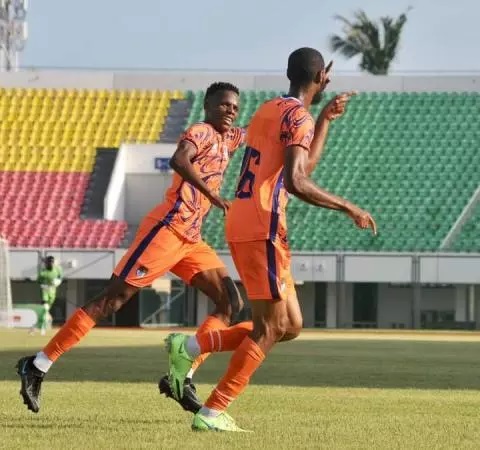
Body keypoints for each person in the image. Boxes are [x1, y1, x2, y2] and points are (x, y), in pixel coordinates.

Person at [164, 47, 377, 432]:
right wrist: (348, 206)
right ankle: (212, 411)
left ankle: (192, 347)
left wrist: (325, 118)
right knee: (269, 328)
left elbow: (299, 164)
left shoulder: (268, 109)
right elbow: (298, 181)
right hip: (263, 224)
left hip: (248, 221)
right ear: (321, 77)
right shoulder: (298, 116)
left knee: (290, 325)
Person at [16, 82, 255, 414]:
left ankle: (180, 376)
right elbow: (178, 160)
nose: (230, 110)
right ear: (208, 106)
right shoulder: (200, 131)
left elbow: (267, 129)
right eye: (224, 105)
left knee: (230, 301)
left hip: (191, 239)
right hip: (166, 230)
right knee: (112, 300)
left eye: (234, 106)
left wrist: (316, 107)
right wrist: (211, 194)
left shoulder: (230, 137)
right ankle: (37, 365)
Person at [29, 256, 63, 336]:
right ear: (46, 263)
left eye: (52, 262)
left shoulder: (57, 270)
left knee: (45, 313)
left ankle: (34, 327)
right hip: (45, 294)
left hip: (52, 294)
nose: (51, 263)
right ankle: (43, 329)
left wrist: (57, 282)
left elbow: (60, 278)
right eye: (49, 262)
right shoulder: (43, 273)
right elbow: (39, 281)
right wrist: (43, 285)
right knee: (45, 310)